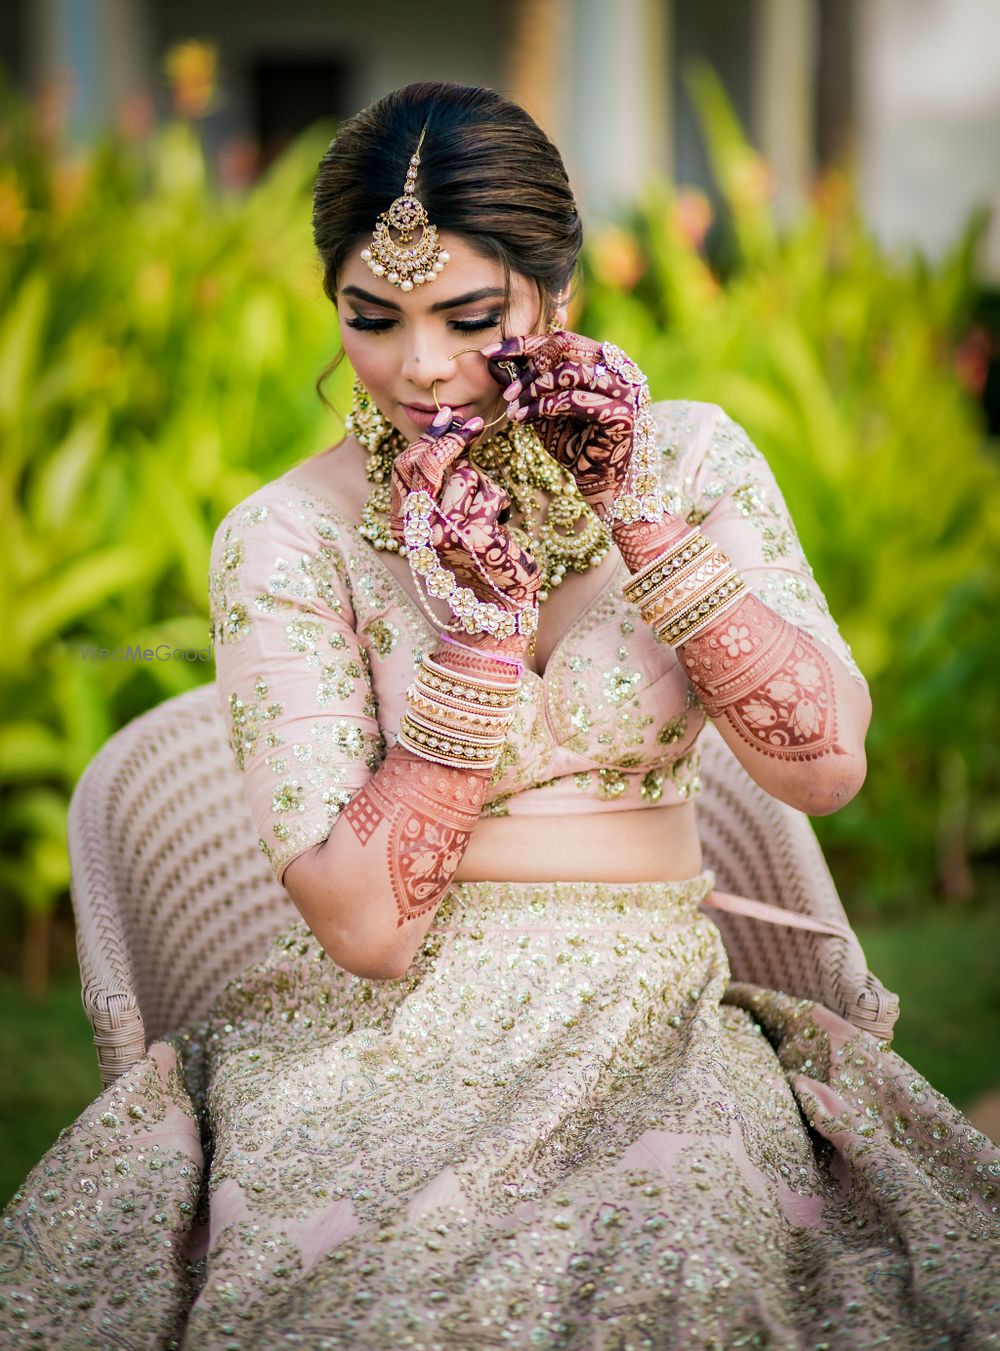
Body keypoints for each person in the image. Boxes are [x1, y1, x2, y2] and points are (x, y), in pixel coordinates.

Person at [2, 80, 998, 1350]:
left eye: (467, 316)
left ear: (554, 294)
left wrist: (634, 510)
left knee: (684, 1277)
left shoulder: (691, 461)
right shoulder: (286, 538)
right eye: (372, 317)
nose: (418, 366)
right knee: (381, 1294)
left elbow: (823, 769)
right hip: (376, 1039)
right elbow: (363, 928)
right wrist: (474, 646)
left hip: (649, 1015)